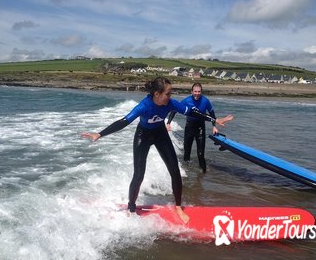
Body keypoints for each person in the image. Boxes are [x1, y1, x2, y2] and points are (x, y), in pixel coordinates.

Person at [81, 77, 232, 224]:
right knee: (139, 174)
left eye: (170, 93)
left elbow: (192, 111)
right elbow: (124, 121)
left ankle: (178, 207)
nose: (170, 96)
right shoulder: (144, 106)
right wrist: (100, 134)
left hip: (160, 134)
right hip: (143, 136)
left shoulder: (170, 103)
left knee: (175, 171)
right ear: (157, 94)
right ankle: (131, 208)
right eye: (167, 93)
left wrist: (214, 119)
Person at [167, 83, 233, 173]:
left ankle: (203, 174)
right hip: (189, 127)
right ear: (191, 92)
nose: (197, 93)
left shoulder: (205, 101)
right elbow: (174, 110)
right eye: (195, 91)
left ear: (201, 92)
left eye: (199, 91)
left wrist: (214, 126)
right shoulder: (186, 100)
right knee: (187, 152)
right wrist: (168, 123)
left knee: (201, 154)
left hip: (200, 128)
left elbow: (211, 114)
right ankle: (186, 174)